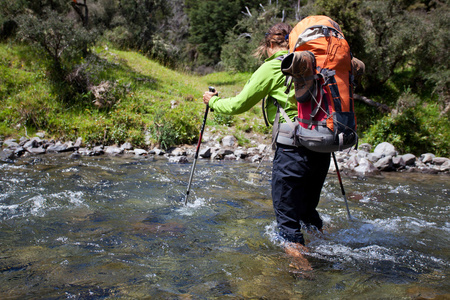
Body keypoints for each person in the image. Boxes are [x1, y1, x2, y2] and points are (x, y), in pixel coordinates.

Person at [202, 23, 330, 252]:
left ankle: (303, 278)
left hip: (292, 151)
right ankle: (328, 254)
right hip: (321, 148)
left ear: (269, 44)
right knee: (308, 213)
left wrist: (212, 101)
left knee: (288, 223)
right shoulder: (313, 62)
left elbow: (239, 104)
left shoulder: (274, 67)